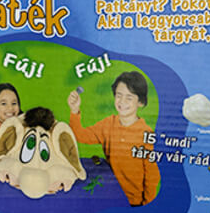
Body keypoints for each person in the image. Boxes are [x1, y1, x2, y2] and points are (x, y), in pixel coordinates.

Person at [67, 71, 159, 205]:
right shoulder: (108, 124)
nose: (122, 101)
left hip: (134, 202)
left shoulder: (146, 134)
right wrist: (74, 110)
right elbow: (79, 135)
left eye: (129, 97)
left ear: (140, 102)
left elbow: (152, 175)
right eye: (118, 95)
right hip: (109, 195)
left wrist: (147, 205)